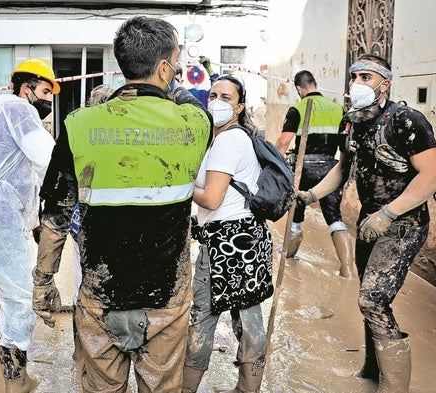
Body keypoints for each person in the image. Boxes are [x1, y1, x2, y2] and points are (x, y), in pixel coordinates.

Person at [31, 16, 212, 392]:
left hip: (100, 299)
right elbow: (193, 104)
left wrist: (43, 283)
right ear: (165, 67)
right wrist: (169, 82)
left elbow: (56, 216)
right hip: (166, 301)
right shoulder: (195, 123)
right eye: (174, 62)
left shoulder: (79, 124)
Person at [297, 54, 436, 392]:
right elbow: (342, 168)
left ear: (384, 84)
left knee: (372, 299)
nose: (357, 84)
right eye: (355, 76)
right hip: (368, 221)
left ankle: (394, 387)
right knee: (370, 298)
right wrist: (312, 194)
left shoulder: (406, 119)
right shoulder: (351, 122)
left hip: (404, 222)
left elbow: (433, 175)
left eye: (366, 77)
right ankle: (371, 371)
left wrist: (389, 213)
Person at [0, 58, 60, 391]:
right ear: (26, 88)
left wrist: (32, 220)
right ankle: (16, 380)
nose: (48, 99)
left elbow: (26, 177)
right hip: (1, 210)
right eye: (45, 90)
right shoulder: (21, 111)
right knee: (20, 296)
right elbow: (47, 156)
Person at [182, 74, 273, 393]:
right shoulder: (233, 138)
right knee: (248, 320)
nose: (217, 102)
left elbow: (211, 198)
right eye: (213, 95)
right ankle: (248, 389)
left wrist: (181, 183)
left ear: (240, 107)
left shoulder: (227, 141)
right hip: (246, 238)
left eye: (226, 98)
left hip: (225, 241)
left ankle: (185, 388)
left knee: (202, 320)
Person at [36, 83, 116, 362]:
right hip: (106, 233)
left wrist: (43, 279)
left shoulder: (79, 133)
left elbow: (56, 211)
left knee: (88, 290)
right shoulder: (128, 138)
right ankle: (86, 354)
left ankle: (83, 356)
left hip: (84, 229)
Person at [275, 70, 355, 278]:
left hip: (304, 169)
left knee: (295, 214)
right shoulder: (338, 108)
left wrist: (273, 164)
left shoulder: (298, 108)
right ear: (316, 84)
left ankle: (289, 257)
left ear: (298, 89)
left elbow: (284, 142)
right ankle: (347, 270)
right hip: (331, 170)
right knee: (334, 218)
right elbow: (344, 144)